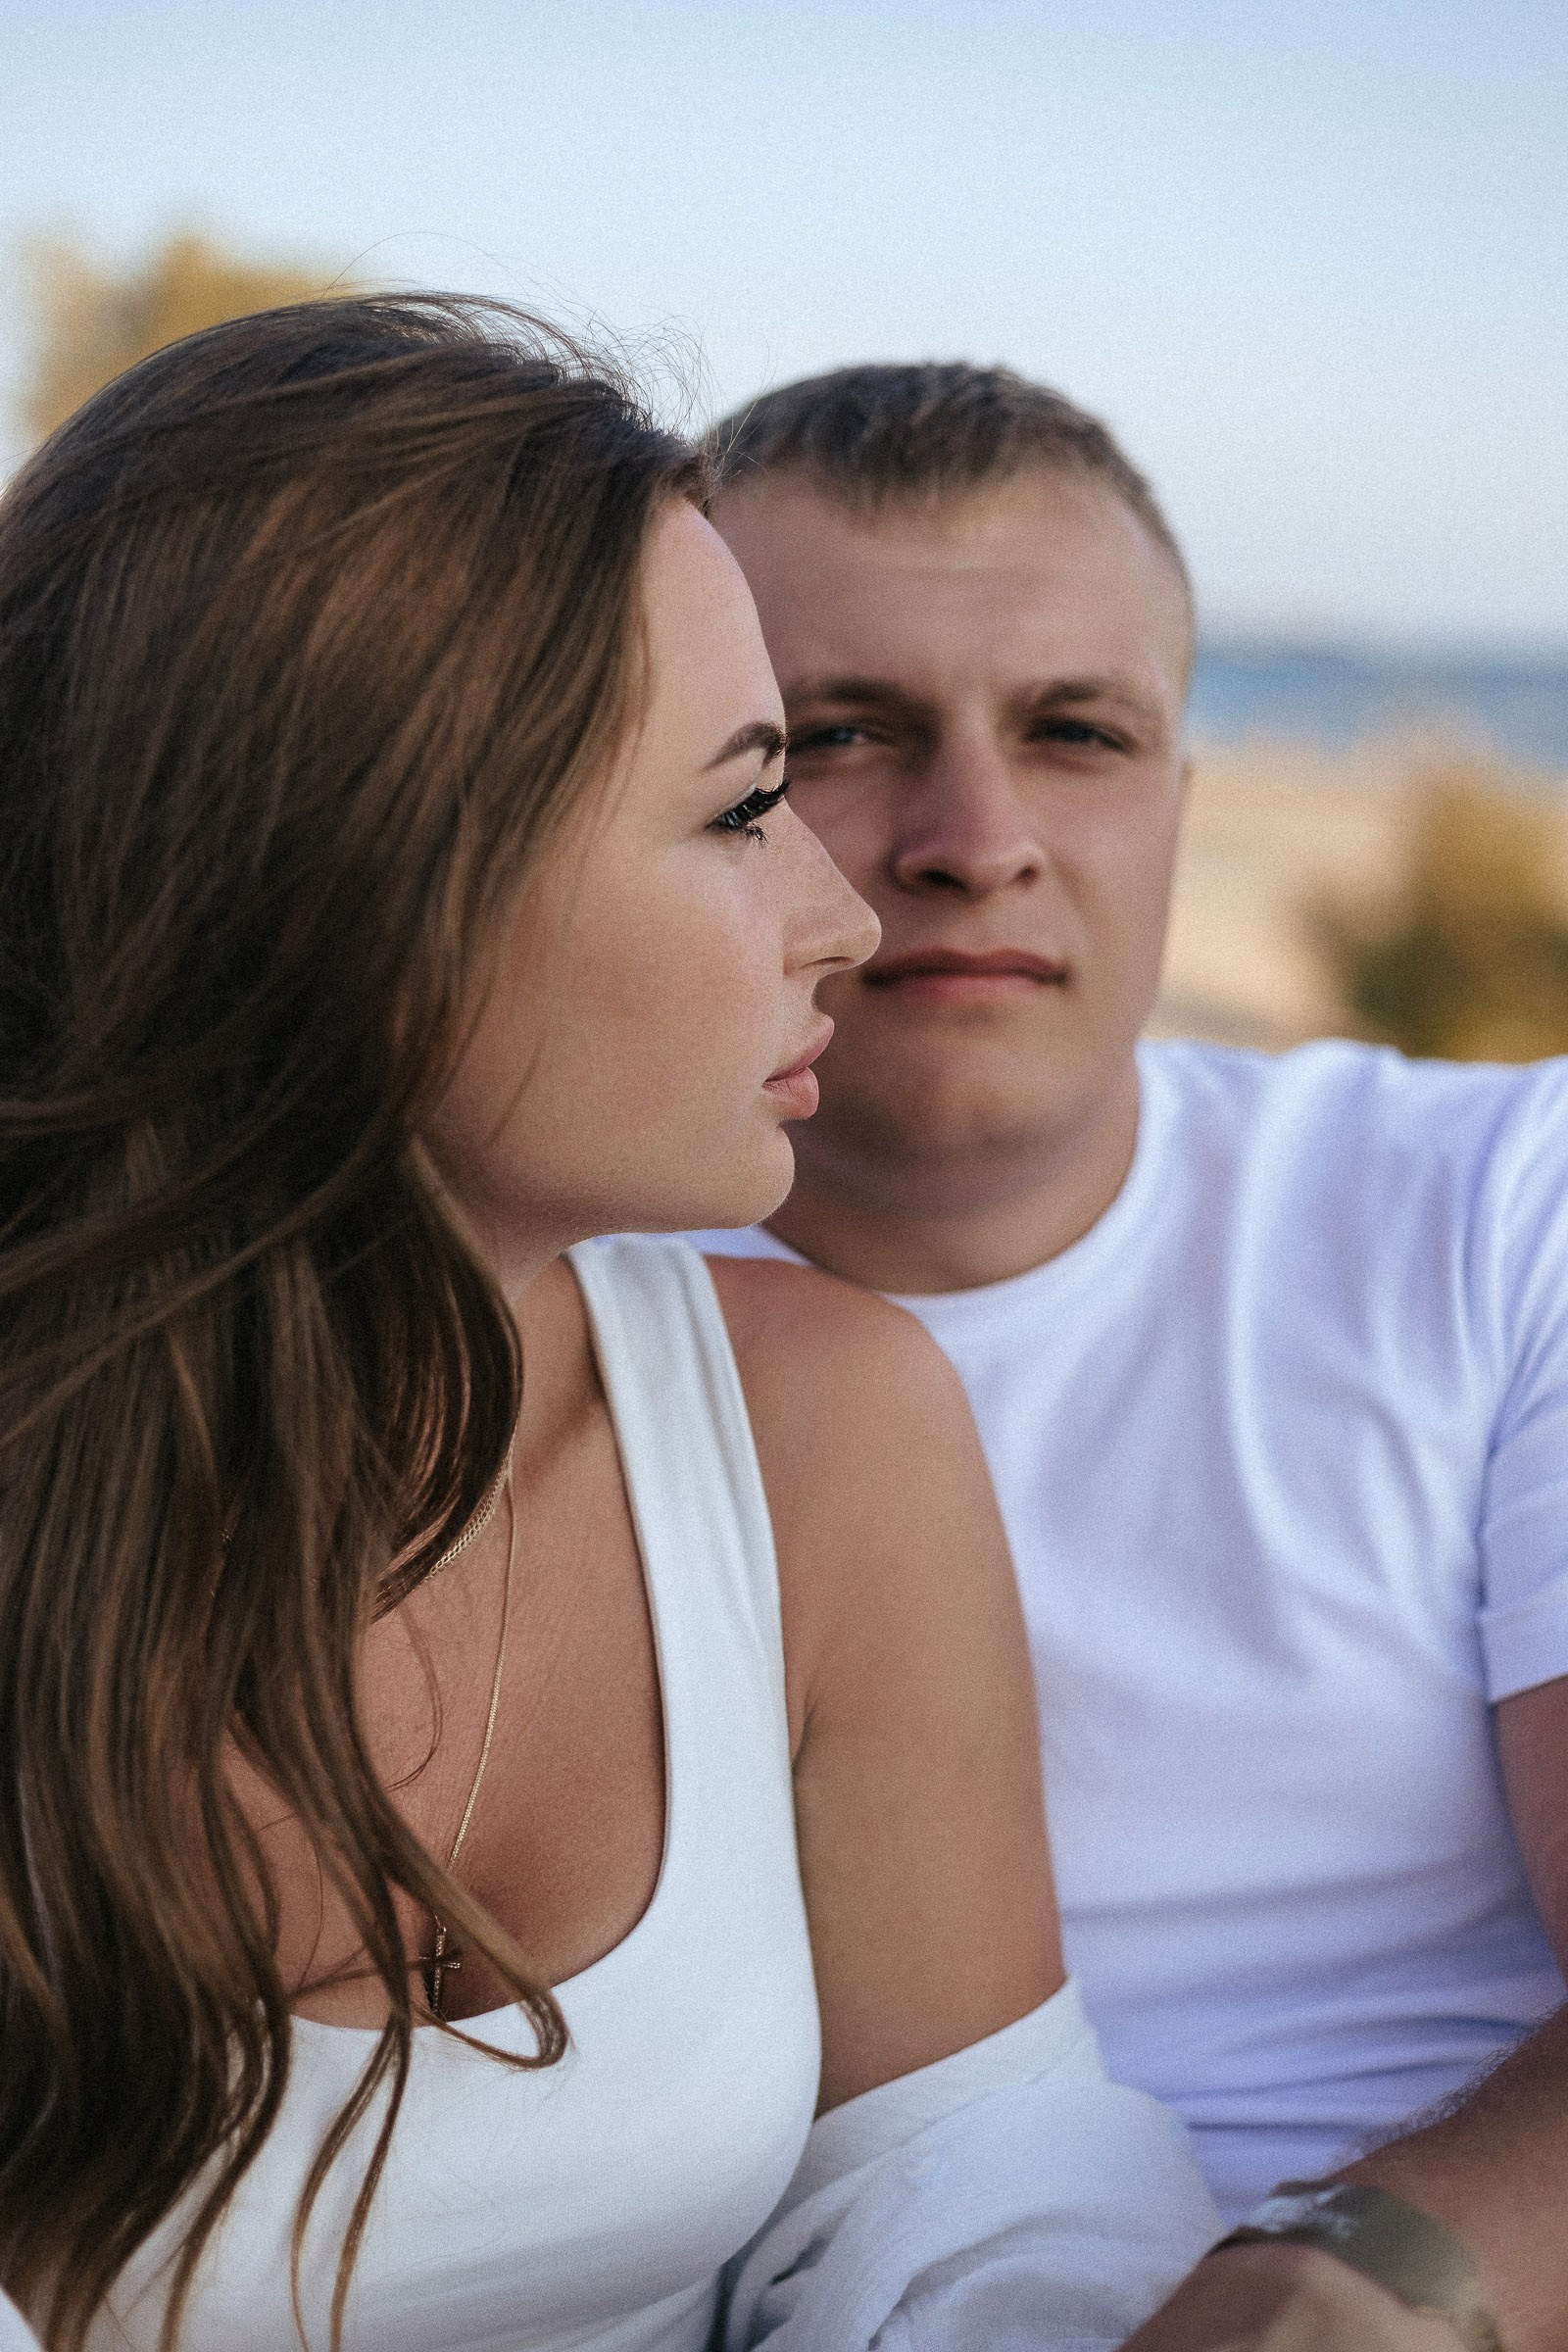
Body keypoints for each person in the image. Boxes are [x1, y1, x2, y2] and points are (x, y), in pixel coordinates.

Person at [0, 301, 1220, 2352]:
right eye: (746, 807)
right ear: (367, 884)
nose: (844, 915)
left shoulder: (815, 1430)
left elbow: (976, 2178)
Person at [685, 362, 1568, 2352]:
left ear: (1180, 791)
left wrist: (1358, 2285)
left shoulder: (1504, 1205)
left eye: (1074, 732)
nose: (972, 838)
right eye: (837, 736)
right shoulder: (500, 1299)